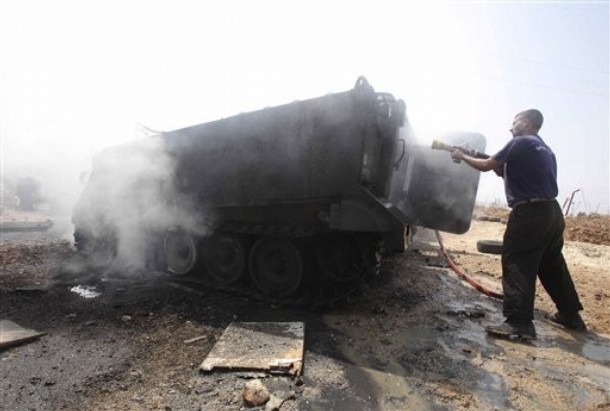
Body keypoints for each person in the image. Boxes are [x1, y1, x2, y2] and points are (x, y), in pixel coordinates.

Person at [450, 109, 586, 341]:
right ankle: (570, 315)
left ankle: (518, 323)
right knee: (551, 263)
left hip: (529, 214)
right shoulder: (545, 149)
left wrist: (462, 157)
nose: (511, 127)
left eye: (515, 122)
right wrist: (495, 166)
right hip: (551, 213)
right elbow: (511, 171)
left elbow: (486, 165)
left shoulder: (519, 142)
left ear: (527, 122)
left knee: (517, 262)